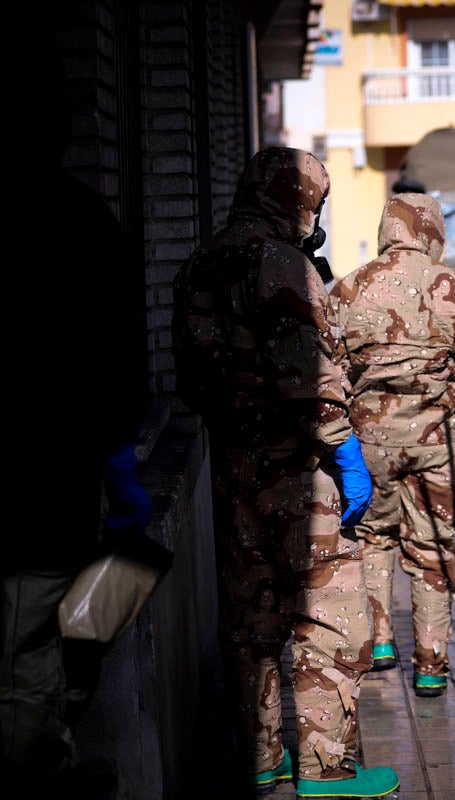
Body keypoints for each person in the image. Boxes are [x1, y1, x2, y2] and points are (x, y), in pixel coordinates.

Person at [172, 146, 397, 798]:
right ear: (292, 200)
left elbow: (189, 377)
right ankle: (327, 770)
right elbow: (316, 379)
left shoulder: (199, 265)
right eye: (314, 203)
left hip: (233, 466)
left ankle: (262, 759)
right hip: (299, 474)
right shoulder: (280, 265)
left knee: (251, 621)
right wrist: (345, 451)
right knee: (327, 617)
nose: (315, 216)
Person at [0, 33, 152, 789]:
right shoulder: (81, 220)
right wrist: (121, 464)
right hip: (46, 486)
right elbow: (119, 360)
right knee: (32, 654)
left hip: (45, 477)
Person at [328, 193, 455, 697]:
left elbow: (326, 365)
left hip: (369, 442)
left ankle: (380, 640)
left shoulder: (348, 287)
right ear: (432, 230)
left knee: (373, 536)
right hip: (436, 442)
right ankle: (431, 663)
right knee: (432, 545)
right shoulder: (454, 284)